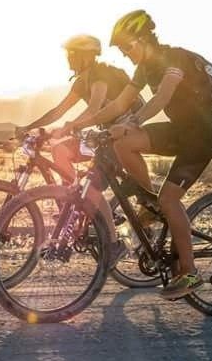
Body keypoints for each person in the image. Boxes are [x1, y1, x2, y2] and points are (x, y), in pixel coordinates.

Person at [54, 10, 212, 300]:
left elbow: (162, 98)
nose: (125, 54)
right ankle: (148, 199)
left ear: (144, 40)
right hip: (179, 131)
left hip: (202, 137)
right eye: (121, 50)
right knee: (123, 143)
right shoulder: (143, 70)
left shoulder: (173, 58)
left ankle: (190, 271)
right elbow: (120, 103)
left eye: (127, 47)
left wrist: (131, 122)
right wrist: (85, 125)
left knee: (170, 198)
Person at [16, 34, 133, 262]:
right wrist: (29, 127)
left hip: (122, 136)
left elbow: (94, 108)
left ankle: (113, 244)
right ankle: (74, 200)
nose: (68, 59)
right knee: (59, 150)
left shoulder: (100, 74)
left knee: (92, 188)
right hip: (100, 137)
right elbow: (58, 111)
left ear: (86, 57)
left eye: (72, 54)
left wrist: (71, 126)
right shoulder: (82, 81)